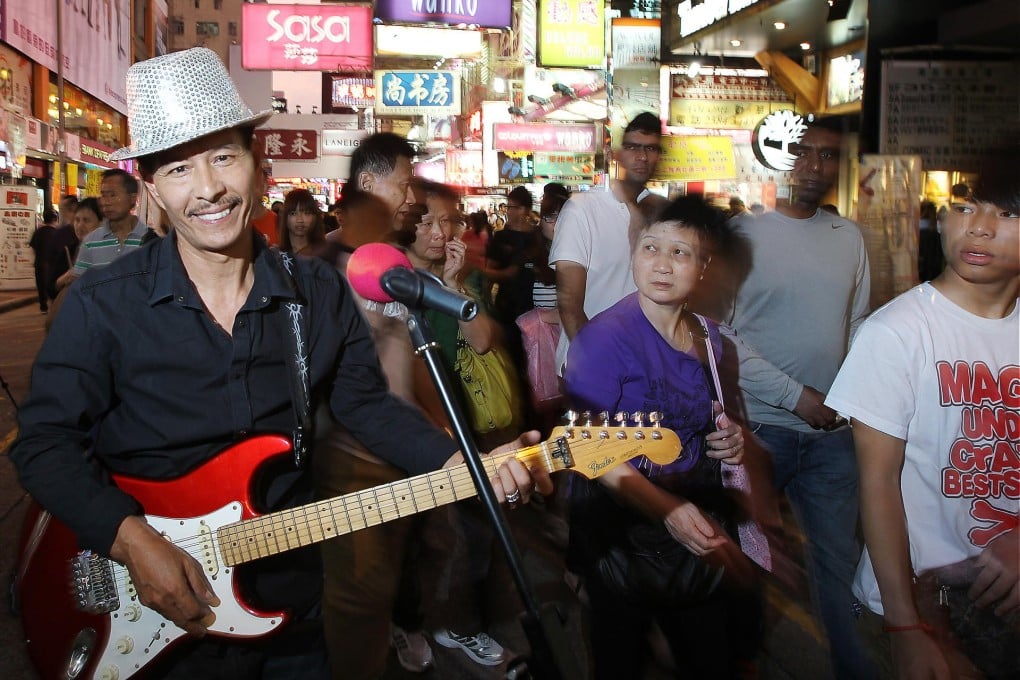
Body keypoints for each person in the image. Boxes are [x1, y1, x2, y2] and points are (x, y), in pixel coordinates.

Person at [11, 47, 547, 680]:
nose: (207, 188)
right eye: (179, 168)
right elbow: (44, 444)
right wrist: (131, 539)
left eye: (223, 157)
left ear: (258, 168)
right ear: (153, 188)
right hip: (146, 596)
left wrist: (460, 463)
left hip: (289, 592)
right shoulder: (102, 304)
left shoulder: (315, 291)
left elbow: (364, 405)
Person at [825, 148, 1019, 679]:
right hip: (924, 604)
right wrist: (906, 628)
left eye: (1006, 213)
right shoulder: (896, 333)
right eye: (966, 206)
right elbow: (878, 484)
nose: (978, 228)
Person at [563, 196, 759, 679]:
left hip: (692, 528)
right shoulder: (603, 340)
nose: (663, 265)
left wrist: (732, 438)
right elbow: (585, 448)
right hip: (621, 534)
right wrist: (665, 510)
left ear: (704, 265)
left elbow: (713, 417)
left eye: (681, 252)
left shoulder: (710, 339)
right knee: (619, 660)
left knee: (710, 658)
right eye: (651, 247)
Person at [723, 115, 872, 678]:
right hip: (758, 432)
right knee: (747, 564)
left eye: (828, 156)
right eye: (802, 153)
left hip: (833, 437)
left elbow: (858, 326)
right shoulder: (742, 236)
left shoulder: (849, 237)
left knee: (840, 569)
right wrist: (795, 396)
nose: (815, 166)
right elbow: (722, 333)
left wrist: (850, 399)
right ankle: (735, 660)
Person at [550, 111, 669, 372]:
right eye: (633, 147)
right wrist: (599, 366)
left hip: (646, 365)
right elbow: (569, 304)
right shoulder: (582, 209)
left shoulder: (664, 213)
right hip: (590, 365)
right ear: (617, 153)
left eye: (650, 148)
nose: (641, 157)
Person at [60, 167, 151, 285]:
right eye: (103, 195)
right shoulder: (90, 242)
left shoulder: (149, 239)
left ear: (132, 198)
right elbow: (80, 288)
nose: (106, 202)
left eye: (112, 195)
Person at [278, 188, 326, 256]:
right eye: (293, 213)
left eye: (306, 213)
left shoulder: (327, 255)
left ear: (314, 217)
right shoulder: (275, 256)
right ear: (285, 217)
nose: (300, 220)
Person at [29, 208, 58, 313]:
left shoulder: (38, 232)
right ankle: (55, 306)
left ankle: (43, 307)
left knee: (41, 285)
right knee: (53, 285)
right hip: (52, 264)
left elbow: (33, 247)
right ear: (55, 219)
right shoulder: (57, 233)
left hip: (39, 263)